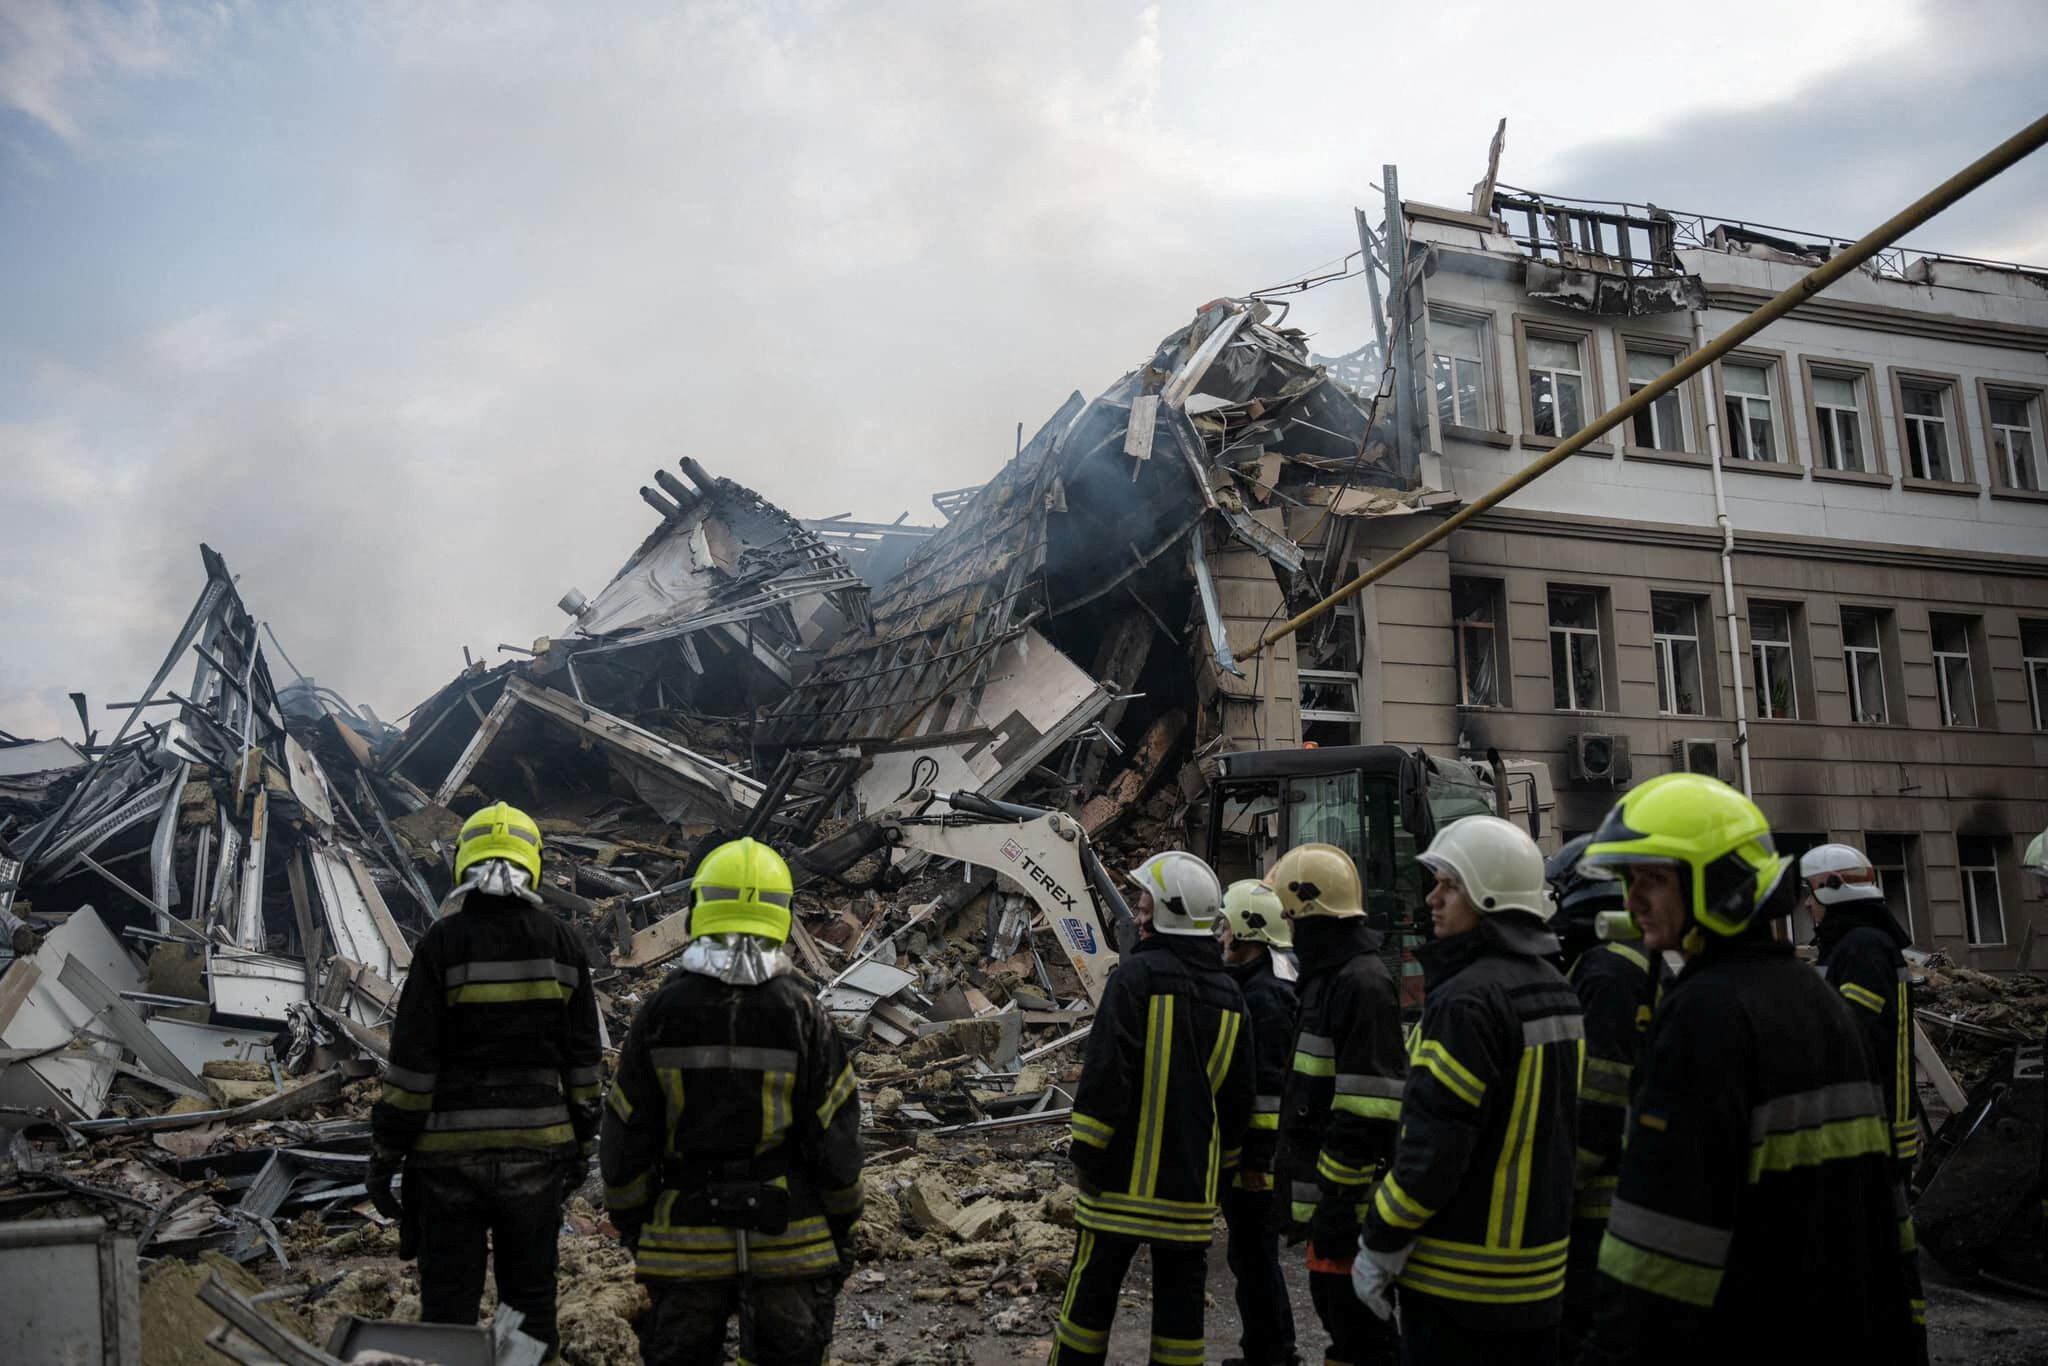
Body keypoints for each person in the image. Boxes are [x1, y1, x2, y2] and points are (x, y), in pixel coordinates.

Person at [1575, 774, 1925, 1365]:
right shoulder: (1816, 999)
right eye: (1629, 881)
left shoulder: (1702, 1013)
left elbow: (1659, 1250)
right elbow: (1884, 1218)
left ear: (1717, 884)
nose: (1631, 902)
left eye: (1652, 880)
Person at [600, 837, 864, 1366]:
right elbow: (836, 1138)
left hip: (683, 1245)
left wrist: (635, 1224)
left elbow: (627, 1133)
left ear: (698, 908)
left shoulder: (661, 1012)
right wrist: (841, 1230)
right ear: (783, 915)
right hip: (790, 1241)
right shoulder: (805, 1014)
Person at [368, 801, 603, 1355]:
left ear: (462, 862)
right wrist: (582, 1143)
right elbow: (584, 1061)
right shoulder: (563, 943)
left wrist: (386, 1153)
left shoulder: (440, 945)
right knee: (529, 1305)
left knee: (448, 1305)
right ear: (534, 862)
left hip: (447, 1165)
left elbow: (412, 1067)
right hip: (537, 1155)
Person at [1350, 815, 1581, 1363]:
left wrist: (1379, 1242)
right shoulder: (1558, 989)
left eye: (1449, 885)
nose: (1432, 899)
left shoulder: (1466, 1001)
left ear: (1489, 896)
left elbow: (1432, 1149)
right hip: (1540, 1281)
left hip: (1459, 1285)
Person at [1054, 850, 1254, 1366]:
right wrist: (1224, 1174)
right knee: (1181, 1325)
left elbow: (1104, 1076)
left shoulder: (1134, 980)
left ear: (1166, 913)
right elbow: (1237, 1102)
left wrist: (1086, 1154)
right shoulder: (1233, 998)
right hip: (1189, 1196)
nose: (1137, 916)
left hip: (1116, 1187)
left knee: (1088, 1309)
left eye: (1144, 905)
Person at [1270, 842, 1405, 1366]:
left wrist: (1337, 1202)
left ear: (1312, 913)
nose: (1289, 931)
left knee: (1361, 1326)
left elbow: (1366, 1108)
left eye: (1292, 918)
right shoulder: (1330, 980)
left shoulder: (1360, 985)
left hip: (1350, 1207)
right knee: (1339, 1317)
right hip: (1332, 1201)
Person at [1546, 834, 1663, 1362]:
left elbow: (1599, 1095)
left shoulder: (1606, 970)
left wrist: (1559, 1187)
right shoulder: (1625, 959)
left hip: (1600, 1205)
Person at [1217, 879, 1303, 1366]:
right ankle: (1265, 1350)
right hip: (1259, 1155)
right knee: (1249, 1258)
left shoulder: (1266, 997)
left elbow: (1267, 1091)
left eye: (1226, 925)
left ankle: (1273, 1355)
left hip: (1259, 1161)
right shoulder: (1261, 982)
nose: (1220, 935)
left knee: (1254, 1258)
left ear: (1247, 931)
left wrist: (1254, 1163)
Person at [1800, 842, 1921, 1180]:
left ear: (1833, 887)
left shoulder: (1862, 948)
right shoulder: (1851, 945)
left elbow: (1849, 1040)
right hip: (1863, 1128)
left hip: (1872, 1134)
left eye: (1810, 892)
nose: (1807, 903)